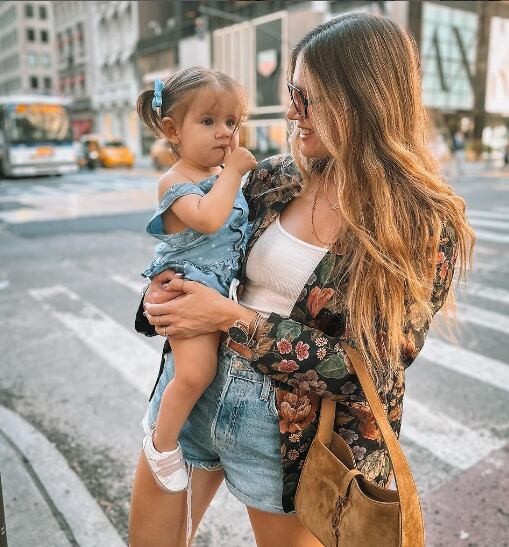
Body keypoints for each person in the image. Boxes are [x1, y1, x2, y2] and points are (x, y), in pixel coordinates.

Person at [130, 13, 475, 547]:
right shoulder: (273, 176)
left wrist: (231, 318)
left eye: (307, 98)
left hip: (293, 435)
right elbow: (199, 245)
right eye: (293, 91)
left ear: (361, 100)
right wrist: (163, 293)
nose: (292, 112)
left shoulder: (423, 222)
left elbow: (371, 372)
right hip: (193, 387)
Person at [136, 67, 257, 496]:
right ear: (173, 129)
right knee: (194, 374)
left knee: (202, 373)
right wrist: (234, 172)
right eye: (208, 122)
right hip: (184, 286)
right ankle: (161, 443)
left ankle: (173, 437)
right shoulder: (176, 181)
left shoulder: (221, 177)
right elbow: (207, 220)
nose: (224, 133)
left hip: (211, 290)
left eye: (232, 123)